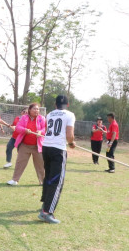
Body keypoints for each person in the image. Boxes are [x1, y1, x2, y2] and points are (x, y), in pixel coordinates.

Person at [38, 95, 76, 224]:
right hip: (58, 149)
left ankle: (45, 205)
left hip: (46, 148)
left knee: (48, 177)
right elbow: (69, 135)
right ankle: (47, 212)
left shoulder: (50, 114)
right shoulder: (70, 115)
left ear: (55, 105)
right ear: (68, 104)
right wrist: (71, 143)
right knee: (57, 181)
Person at [7, 103, 46, 186]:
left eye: (38, 109)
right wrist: (25, 130)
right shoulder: (24, 118)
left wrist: (40, 132)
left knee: (40, 164)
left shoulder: (42, 118)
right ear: (29, 110)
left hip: (37, 146)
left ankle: (43, 181)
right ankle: (15, 180)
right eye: (34, 109)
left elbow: (45, 129)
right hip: (24, 145)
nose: (36, 110)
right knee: (20, 163)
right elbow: (18, 127)